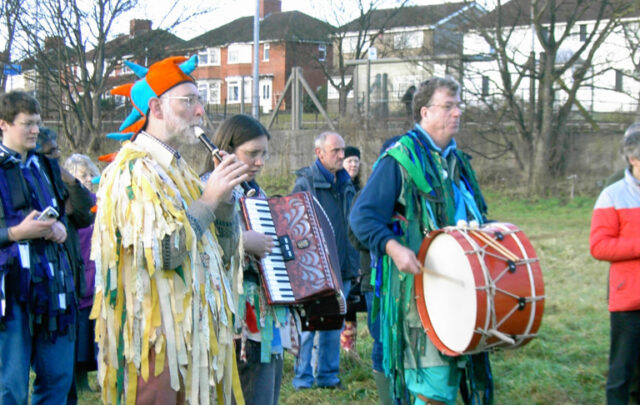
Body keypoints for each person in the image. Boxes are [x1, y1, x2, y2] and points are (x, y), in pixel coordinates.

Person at [90, 55, 251, 405]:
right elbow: (165, 253)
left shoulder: (180, 172)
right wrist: (208, 200)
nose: (200, 112)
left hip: (192, 335)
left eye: (200, 100)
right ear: (156, 108)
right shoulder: (134, 172)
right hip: (154, 342)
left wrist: (223, 202)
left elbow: (218, 252)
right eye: (189, 100)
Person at [350, 77, 490, 405]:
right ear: (425, 112)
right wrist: (394, 246)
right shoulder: (399, 160)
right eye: (448, 106)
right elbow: (362, 217)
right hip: (418, 298)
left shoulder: (459, 163)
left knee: (457, 381)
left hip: (461, 292)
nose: (457, 112)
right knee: (431, 390)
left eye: (459, 105)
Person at [205, 114, 293, 405]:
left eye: (263, 154)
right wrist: (244, 243)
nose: (259, 162)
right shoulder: (208, 187)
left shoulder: (255, 190)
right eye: (252, 154)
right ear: (226, 151)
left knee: (266, 389)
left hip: (264, 314)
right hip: (235, 316)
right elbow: (200, 245)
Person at [0, 91, 81, 404]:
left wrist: (59, 226)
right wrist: (17, 232)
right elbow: (16, 230)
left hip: (53, 285)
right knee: (12, 385)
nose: (35, 130)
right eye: (27, 124)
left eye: (38, 123)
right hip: (11, 290)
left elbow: (74, 211)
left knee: (58, 377)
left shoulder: (45, 167)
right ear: (4, 124)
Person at [291, 131, 359, 390]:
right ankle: (303, 380)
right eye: (336, 151)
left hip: (343, 268)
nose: (342, 155)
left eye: (343, 150)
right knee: (309, 327)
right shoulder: (305, 184)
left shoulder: (346, 183)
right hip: (314, 270)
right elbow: (296, 228)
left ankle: (328, 377)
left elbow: (349, 226)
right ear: (319, 153)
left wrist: (353, 265)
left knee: (334, 325)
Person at [589, 123, 640, 405]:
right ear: (633, 158)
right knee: (621, 373)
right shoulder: (613, 194)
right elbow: (598, 246)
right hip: (629, 300)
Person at [63, 153, 100, 395]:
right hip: (79, 279)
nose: (87, 179)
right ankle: (78, 378)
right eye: (81, 175)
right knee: (79, 335)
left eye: (89, 174)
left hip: (97, 279)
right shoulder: (70, 206)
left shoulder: (99, 202)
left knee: (95, 332)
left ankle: (97, 375)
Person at [340, 145, 365, 355]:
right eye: (350, 160)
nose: (353, 164)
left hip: (355, 251)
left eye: (356, 161)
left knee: (353, 304)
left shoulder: (361, 190)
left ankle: (350, 349)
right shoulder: (340, 188)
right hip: (342, 249)